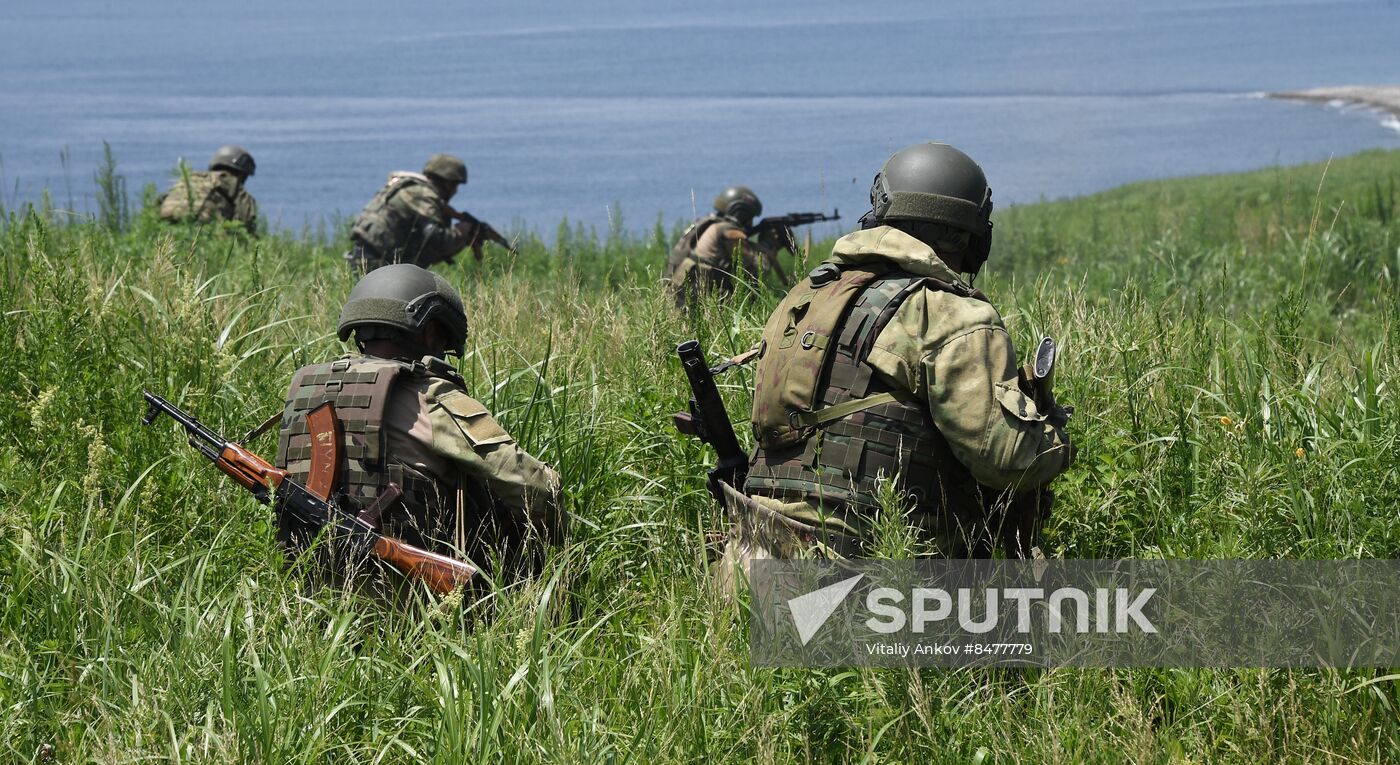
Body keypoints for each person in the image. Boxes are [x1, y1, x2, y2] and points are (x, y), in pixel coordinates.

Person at [719, 142, 1074, 588]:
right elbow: (1007, 461)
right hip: (860, 587)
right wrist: (1053, 434)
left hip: (747, 571)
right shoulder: (950, 314)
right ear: (969, 234)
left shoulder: (804, 298)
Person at [274, 264, 565, 599]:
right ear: (429, 332)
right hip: (414, 604)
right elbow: (538, 491)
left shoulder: (308, 392)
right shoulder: (432, 398)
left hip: (310, 599)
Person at [347, 154, 497, 274]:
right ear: (446, 183)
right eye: (455, 185)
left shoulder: (407, 187)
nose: (455, 191)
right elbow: (437, 238)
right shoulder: (424, 195)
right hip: (378, 263)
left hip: (365, 257)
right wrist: (461, 231)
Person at [665, 186, 788, 310]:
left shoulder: (709, 223)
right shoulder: (729, 232)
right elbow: (757, 270)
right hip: (700, 301)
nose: (751, 224)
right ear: (741, 213)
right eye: (749, 218)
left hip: (680, 294)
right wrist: (769, 246)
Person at [156, 145, 258, 235]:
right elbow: (246, 221)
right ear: (241, 174)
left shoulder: (192, 178)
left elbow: (160, 202)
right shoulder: (232, 183)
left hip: (165, 227)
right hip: (203, 232)